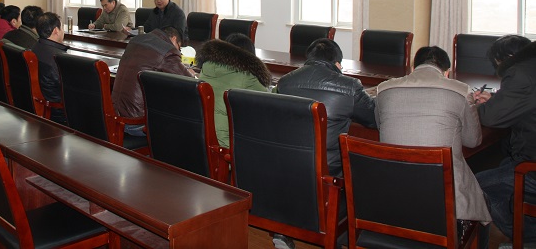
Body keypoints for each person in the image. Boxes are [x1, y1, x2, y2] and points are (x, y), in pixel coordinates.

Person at [376, 46, 491, 229]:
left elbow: (380, 125)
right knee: (484, 200)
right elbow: (472, 141)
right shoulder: (461, 90)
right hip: (443, 195)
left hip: (391, 191)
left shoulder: (383, 89)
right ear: (446, 73)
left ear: (413, 68)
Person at [277, 38, 376, 177]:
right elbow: (374, 118)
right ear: (337, 64)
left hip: (289, 164)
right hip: (330, 172)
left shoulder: (284, 82)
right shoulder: (350, 86)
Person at [475, 35, 536, 247]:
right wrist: (496, 101)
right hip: (526, 155)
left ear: (507, 58)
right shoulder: (531, 67)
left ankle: (525, 234)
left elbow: (490, 118)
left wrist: (477, 107)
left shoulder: (520, 73)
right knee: (500, 164)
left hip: (531, 166)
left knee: (473, 185)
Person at [112, 27, 195, 136]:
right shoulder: (167, 50)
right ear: (174, 39)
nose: (178, 52)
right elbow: (189, 83)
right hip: (137, 123)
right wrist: (191, 73)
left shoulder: (136, 40)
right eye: (179, 47)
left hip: (113, 116)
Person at [196, 33, 272, 148]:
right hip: (226, 146)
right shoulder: (246, 76)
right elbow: (269, 104)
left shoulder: (206, 68)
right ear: (251, 57)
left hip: (202, 140)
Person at [31, 12, 68, 125]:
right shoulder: (58, 58)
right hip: (59, 112)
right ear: (56, 30)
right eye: (62, 28)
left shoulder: (34, 48)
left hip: (42, 107)